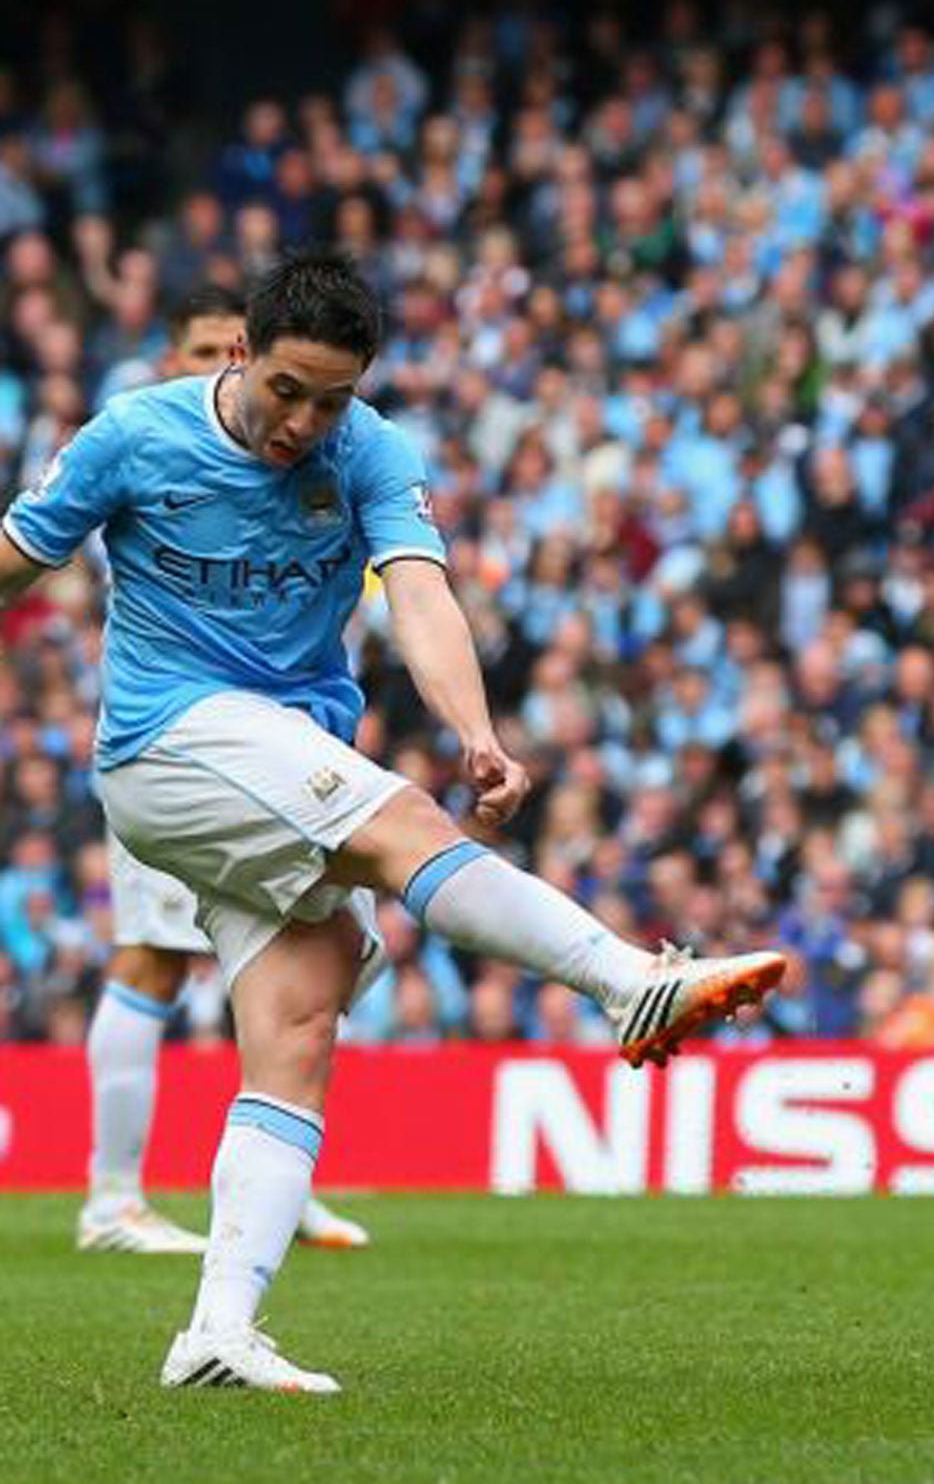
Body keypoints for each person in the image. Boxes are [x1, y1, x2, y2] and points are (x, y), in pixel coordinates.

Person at [0, 249, 786, 1394]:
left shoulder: (370, 453)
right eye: (288, 391)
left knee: (300, 1023)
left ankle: (217, 1330)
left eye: (333, 398)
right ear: (238, 354)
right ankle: (627, 981)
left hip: (285, 756)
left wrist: (477, 732)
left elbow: (418, 593)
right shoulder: (132, 434)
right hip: (168, 744)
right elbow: (17, 559)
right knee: (402, 821)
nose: (306, 421)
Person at [78, 284, 371, 1256]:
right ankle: (112, 1196)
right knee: (154, 954)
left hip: (281, 738)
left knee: (310, 959)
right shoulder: (146, 454)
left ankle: (273, 1176)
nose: (214, 366)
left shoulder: (305, 463)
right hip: (176, 739)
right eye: (199, 349)